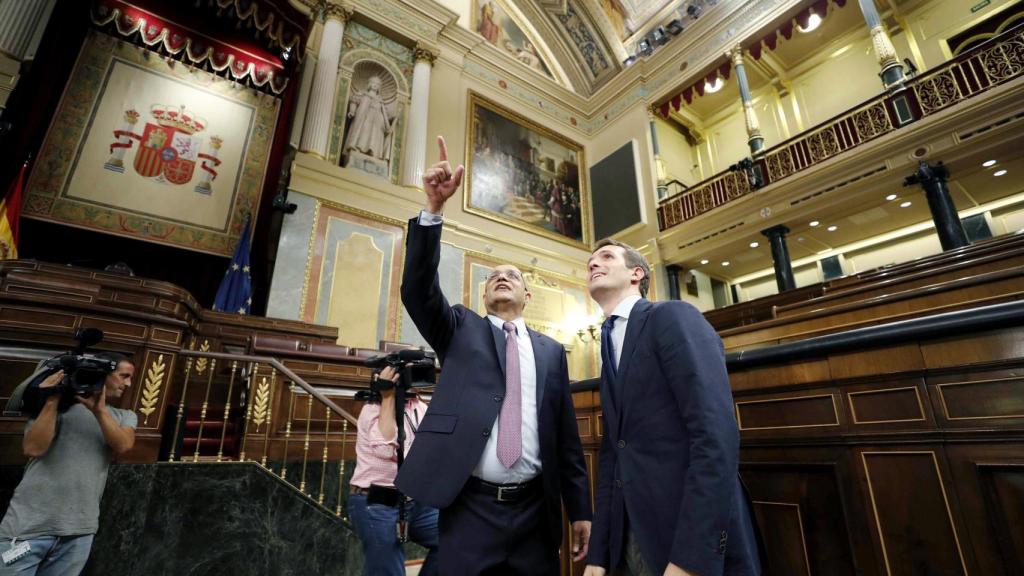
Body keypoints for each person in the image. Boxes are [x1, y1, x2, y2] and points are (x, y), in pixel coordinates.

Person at [395, 136, 592, 576]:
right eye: (494, 276)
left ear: (528, 294)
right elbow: (418, 292)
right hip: (471, 507)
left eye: (513, 276)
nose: (502, 278)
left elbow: (566, 440)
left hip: (535, 513)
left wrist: (581, 510)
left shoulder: (552, 352)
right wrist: (433, 211)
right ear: (484, 293)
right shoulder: (462, 329)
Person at [582, 240, 762, 576]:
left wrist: (691, 557)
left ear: (637, 273)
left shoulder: (671, 316)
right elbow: (613, 455)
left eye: (606, 257)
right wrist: (599, 553)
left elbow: (715, 435)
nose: (593, 264)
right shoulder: (607, 345)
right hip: (630, 536)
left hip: (685, 531)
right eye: (590, 261)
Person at [0, 353, 137, 576]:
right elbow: (33, 448)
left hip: (79, 531)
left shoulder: (124, 416)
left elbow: (122, 445)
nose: (128, 384)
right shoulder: (54, 408)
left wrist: (99, 410)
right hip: (26, 528)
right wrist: (53, 399)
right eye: (124, 376)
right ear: (102, 376)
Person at [347, 366, 439, 576]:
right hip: (376, 502)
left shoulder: (418, 407)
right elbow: (385, 448)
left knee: (452, 539)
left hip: (413, 501)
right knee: (388, 571)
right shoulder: (372, 409)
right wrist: (388, 396)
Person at [344, 75, 394, 162]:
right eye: (373, 82)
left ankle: (372, 151)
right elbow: (354, 101)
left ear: (379, 87)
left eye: (377, 84)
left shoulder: (380, 100)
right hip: (364, 117)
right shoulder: (362, 94)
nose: (375, 85)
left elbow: (385, 113)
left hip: (377, 121)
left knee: (374, 135)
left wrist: (392, 118)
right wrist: (352, 111)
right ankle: (357, 147)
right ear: (369, 84)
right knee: (363, 131)